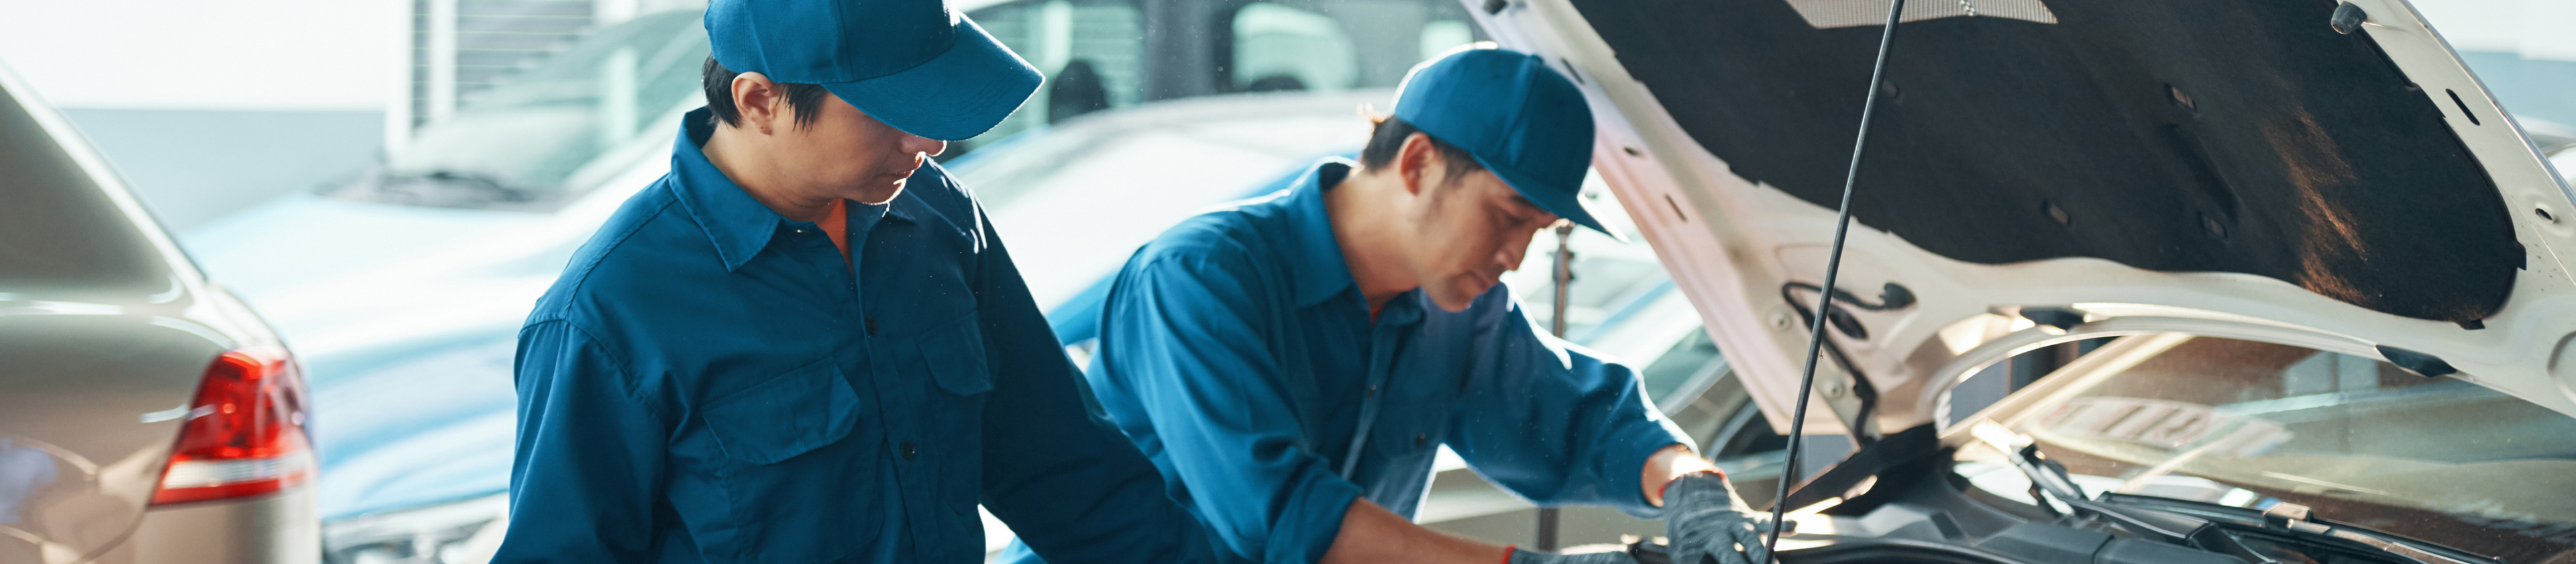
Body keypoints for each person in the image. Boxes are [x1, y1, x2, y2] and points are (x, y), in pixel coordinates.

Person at [492, 0, 1213, 562]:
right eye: (892, 111)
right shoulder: (610, 315)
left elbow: (1067, 472)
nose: (930, 142)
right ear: (759, 101)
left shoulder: (937, 218)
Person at [998, 46, 1771, 564]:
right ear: (1418, 163)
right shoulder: (1201, 279)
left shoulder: (1454, 310)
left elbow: (1586, 424)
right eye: (1507, 217)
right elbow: (1282, 519)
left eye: (1539, 232)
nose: (1515, 257)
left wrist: (1690, 483)